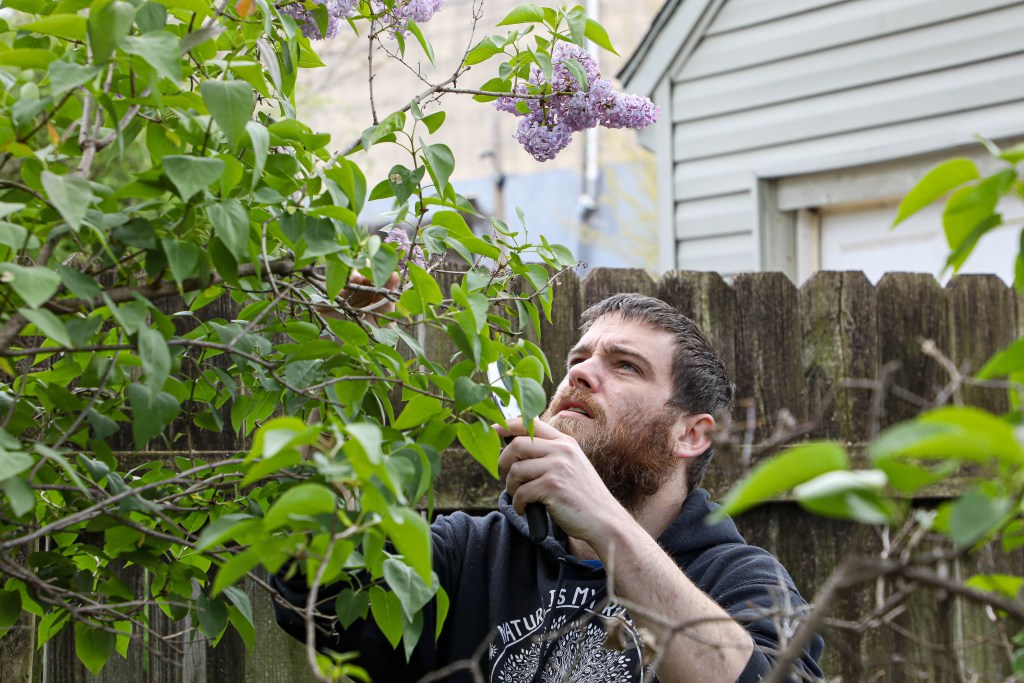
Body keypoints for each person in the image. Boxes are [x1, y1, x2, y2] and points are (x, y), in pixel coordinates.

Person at [272, 293, 824, 682]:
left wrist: (605, 524)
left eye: (625, 366)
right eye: (577, 360)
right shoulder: (464, 553)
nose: (580, 374)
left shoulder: (741, 580)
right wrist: (335, 359)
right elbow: (312, 594)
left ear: (689, 434)